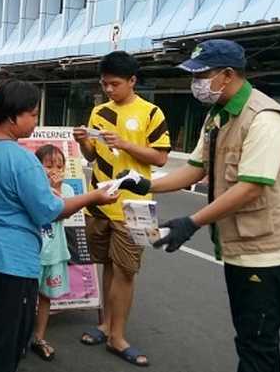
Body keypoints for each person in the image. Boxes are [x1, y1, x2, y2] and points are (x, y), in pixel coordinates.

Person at [122, 40, 280, 372]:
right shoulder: (218, 114)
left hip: (267, 249)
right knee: (249, 337)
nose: (195, 83)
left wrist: (190, 222)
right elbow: (196, 168)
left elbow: (251, 187)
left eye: (201, 75)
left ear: (227, 75)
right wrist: (147, 184)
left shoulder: (264, 118)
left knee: (257, 342)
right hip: (241, 245)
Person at [0, 80, 117, 372]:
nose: (36, 122)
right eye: (33, 114)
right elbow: (49, 211)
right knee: (4, 337)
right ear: (13, 117)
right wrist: (95, 195)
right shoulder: (23, 160)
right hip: (10, 262)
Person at [73, 51, 170, 367]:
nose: (109, 90)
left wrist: (126, 144)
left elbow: (160, 158)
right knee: (108, 266)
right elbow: (92, 157)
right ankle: (105, 325)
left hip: (135, 206)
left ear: (132, 81)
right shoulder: (99, 111)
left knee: (126, 270)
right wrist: (84, 142)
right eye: (105, 84)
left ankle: (118, 335)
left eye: (115, 84)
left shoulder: (151, 113)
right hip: (100, 203)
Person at [31, 144, 74, 362]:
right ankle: (18, 337)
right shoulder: (32, 189)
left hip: (55, 253)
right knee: (24, 297)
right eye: (48, 165)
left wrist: (57, 189)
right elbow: (43, 214)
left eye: (59, 165)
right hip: (32, 254)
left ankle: (39, 337)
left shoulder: (67, 191)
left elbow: (61, 213)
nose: (54, 170)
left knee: (46, 297)